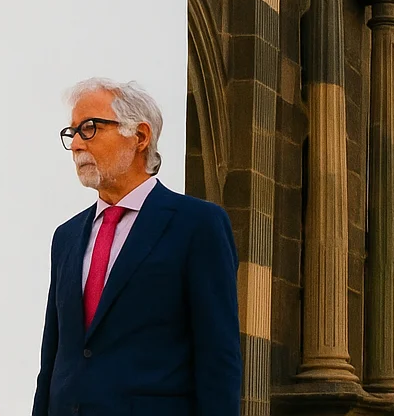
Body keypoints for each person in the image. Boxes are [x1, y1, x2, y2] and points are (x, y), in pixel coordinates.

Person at [33, 78, 241, 416]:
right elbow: (54, 353)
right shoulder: (66, 236)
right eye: (71, 134)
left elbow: (218, 355)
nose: (75, 145)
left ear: (140, 136)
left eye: (89, 128)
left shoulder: (197, 224)